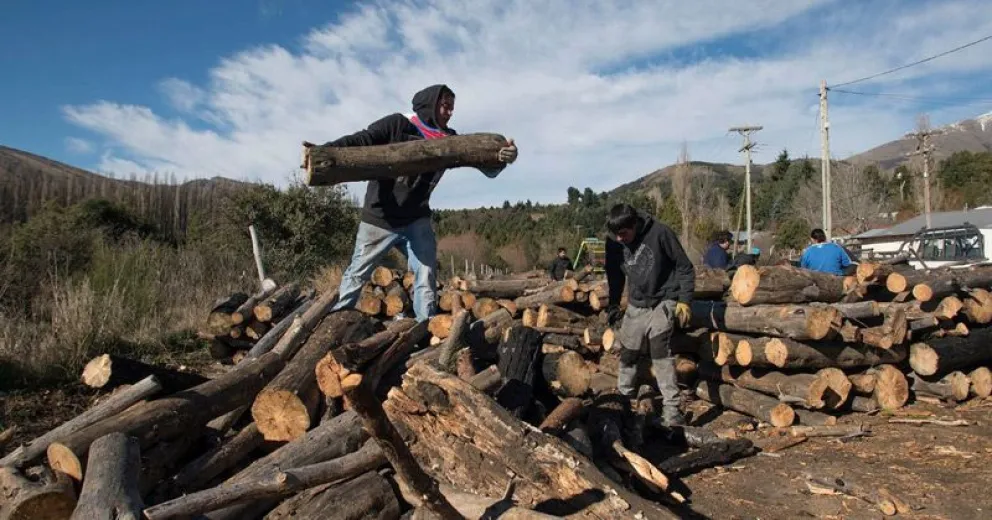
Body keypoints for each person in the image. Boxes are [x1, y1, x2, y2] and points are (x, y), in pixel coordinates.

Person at [315, 84, 518, 321]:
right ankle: (335, 321)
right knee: (357, 273)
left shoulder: (450, 141)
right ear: (430, 104)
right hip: (380, 219)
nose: (450, 112)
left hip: (416, 219)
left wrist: (502, 159)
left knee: (426, 273)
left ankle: (426, 325)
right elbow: (362, 139)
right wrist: (324, 151)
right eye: (445, 106)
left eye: (452, 108)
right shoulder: (398, 124)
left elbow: (481, 160)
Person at [604, 204, 695, 426]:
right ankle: (623, 402)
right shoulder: (614, 242)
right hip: (637, 303)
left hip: (663, 299)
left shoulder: (660, 233)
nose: (620, 238)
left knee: (659, 349)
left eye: (623, 233)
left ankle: (672, 410)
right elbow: (615, 276)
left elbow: (684, 267)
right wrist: (613, 305)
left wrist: (684, 300)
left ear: (634, 224)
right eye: (616, 235)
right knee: (628, 352)